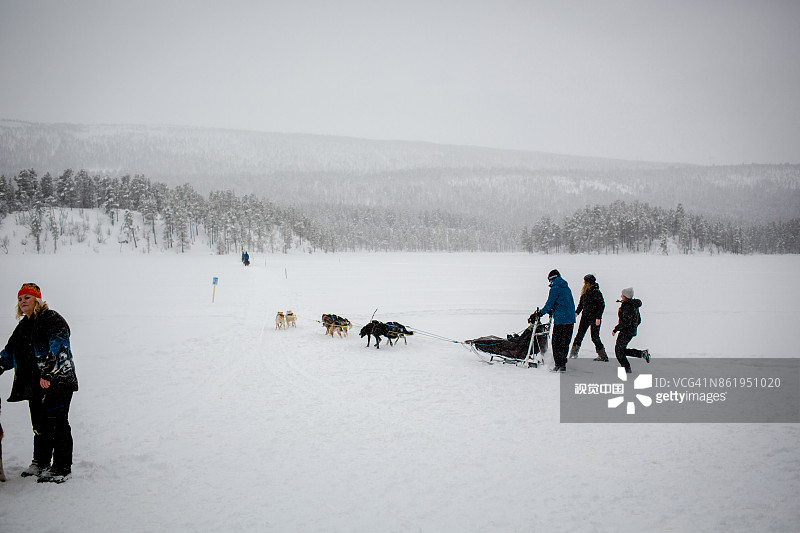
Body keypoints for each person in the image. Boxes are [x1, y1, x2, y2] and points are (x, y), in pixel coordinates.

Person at [0, 283, 78, 483]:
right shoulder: (24, 325)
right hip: (34, 384)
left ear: (37, 300)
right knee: (40, 425)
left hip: (57, 381)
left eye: (27, 297)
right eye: (20, 299)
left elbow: (59, 345)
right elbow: (9, 353)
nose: (23, 301)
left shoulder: (51, 319)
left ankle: (61, 467)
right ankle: (41, 462)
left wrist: (49, 373)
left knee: (57, 423)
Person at [536, 269, 576, 372]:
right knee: (565, 342)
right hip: (570, 319)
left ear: (551, 279)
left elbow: (549, 304)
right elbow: (565, 302)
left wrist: (540, 313)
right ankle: (563, 363)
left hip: (561, 320)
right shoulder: (566, 287)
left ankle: (558, 364)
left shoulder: (555, 288)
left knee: (556, 342)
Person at [611, 287, 650, 373]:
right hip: (629, 331)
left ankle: (627, 369)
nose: (621, 296)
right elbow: (638, 320)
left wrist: (616, 328)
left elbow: (626, 322)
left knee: (619, 351)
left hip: (626, 332)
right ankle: (642, 354)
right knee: (621, 350)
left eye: (623, 295)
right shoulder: (631, 305)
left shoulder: (629, 306)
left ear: (626, 296)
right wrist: (633, 326)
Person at [570, 274, 608, 361]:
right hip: (585, 317)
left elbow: (601, 305)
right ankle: (573, 354)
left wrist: (598, 317)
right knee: (579, 335)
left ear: (589, 282)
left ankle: (603, 356)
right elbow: (581, 304)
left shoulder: (597, 292)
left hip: (595, 318)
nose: (584, 283)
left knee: (595, 337)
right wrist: (576, 312)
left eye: (585, 281)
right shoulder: (585, 292)